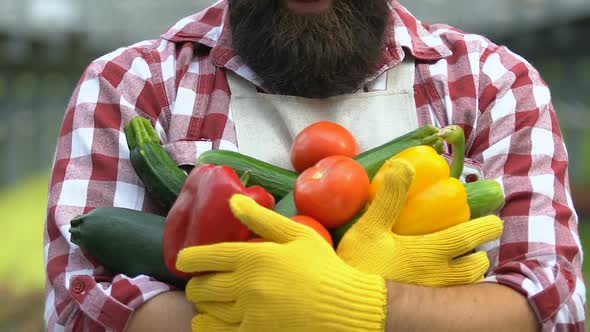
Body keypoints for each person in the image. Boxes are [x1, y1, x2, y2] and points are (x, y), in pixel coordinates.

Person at [44, 0, 586, 331]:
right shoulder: (132, 85)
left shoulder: (491, 83)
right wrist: (267, 314)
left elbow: (548, 304)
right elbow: (80, 309)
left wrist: (366, 306)